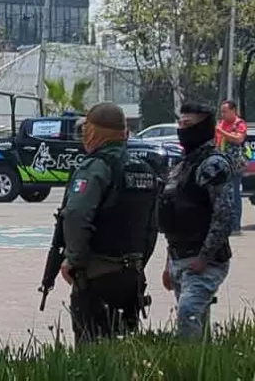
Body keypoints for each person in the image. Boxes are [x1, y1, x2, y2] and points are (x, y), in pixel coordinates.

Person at [56, 102, 162, 343]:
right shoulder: (143, 169)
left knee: (92, 354)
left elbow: (76, 215)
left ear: (94, 132)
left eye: (86, 129)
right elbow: (151, 227)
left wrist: (73, 259)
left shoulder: (96, 167)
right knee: (122, 348)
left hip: (97, 276)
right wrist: (138, 262)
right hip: (132, 276)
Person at [159, 102, 234, 339]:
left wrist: (205, 257)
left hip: (204, 260)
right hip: (180, 257)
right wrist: (168, 263)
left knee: (188, 313)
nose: (182, 129)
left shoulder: (213, 164)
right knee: (197, 320)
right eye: (180, 124)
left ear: (203, 127)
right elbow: (173, 215)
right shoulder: (181, 166)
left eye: (188, 124)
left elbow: (223, 215)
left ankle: (187, 367)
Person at [215, 100, 247, 235]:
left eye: (225, 111)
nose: (222, 114)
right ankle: (225, 225)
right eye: (221, 111)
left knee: (234, 194)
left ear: (233, 110)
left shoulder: (239, 124)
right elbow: (216, 142)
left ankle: (235, 226)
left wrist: (222, 131)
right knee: (223, 196)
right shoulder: (221, 124)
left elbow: (239, 139)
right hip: (222, 163)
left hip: (235, 164)